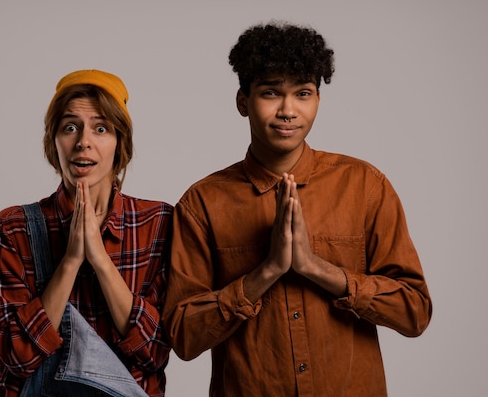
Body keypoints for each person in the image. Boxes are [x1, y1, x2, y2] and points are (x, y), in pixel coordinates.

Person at [162, 21, 432, 396]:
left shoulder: (366, 186)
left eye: (303, 93)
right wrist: (267, 272)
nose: (288, 110)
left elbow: (414, 311)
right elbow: (182, 337)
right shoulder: (202, 204)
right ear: (243, 101)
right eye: (271, 92)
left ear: (318, 99)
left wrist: (315, 268)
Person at [0, 69, 172, 397]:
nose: (84, 141)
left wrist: (100, 260)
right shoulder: (12, 228)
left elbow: (154, 352)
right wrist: (70, 261)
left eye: (101, 128)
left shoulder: (158, 223)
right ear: (53, 141)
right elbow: (15, 357)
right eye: (70, 127)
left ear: (120, 143)